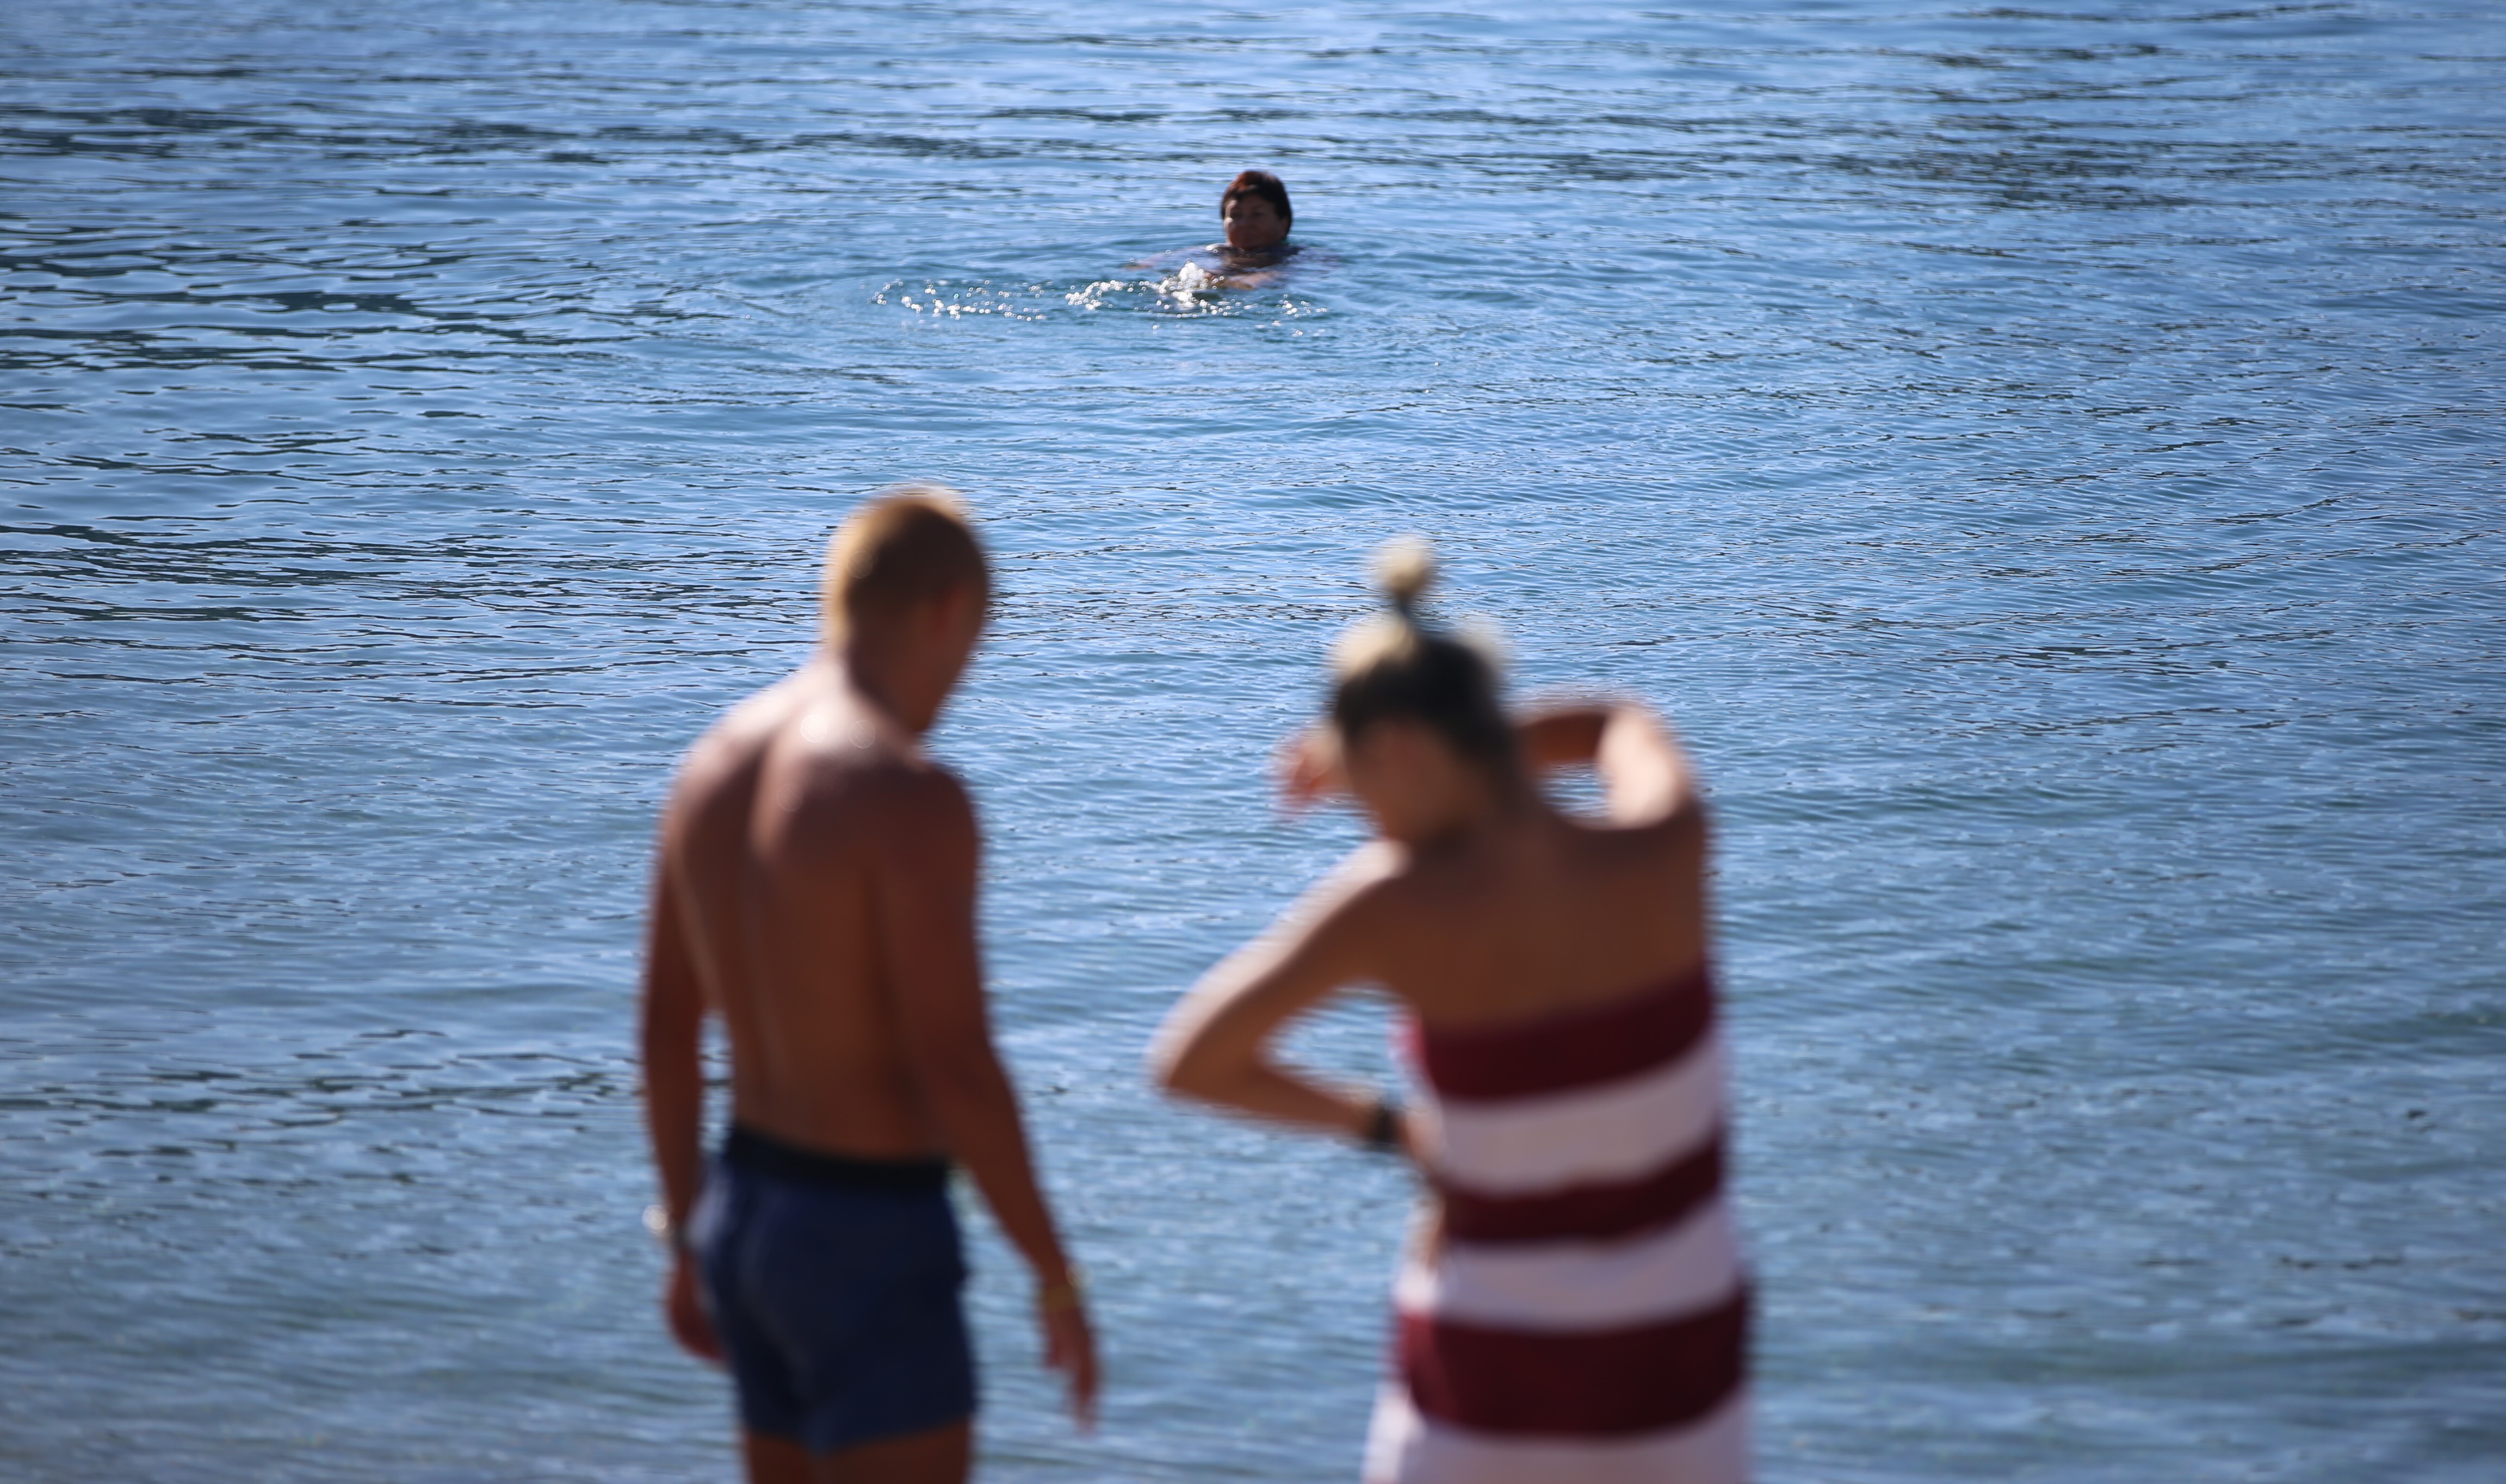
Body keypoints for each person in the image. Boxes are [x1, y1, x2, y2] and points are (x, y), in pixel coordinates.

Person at [1152, 540, 1749, 1483]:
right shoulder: (1670, 846)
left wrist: (1396, 1128)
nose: (1365, 817)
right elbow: (1616, 723)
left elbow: (1190, 1060)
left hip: (1489, 1387)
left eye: (1360, 786)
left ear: (1394, 753)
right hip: (1680, 1386)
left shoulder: (1392, 904)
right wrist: (1472, 754)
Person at [640, 488, 1097, 1484]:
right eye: (977, 638)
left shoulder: (711, 765)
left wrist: (686, 1232)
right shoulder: (904, 792)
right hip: (864, 1230)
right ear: (944, 612)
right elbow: (955, 1066)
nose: (964, 676)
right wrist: (1055, 1273)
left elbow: (667, 1030)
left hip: (744, 1210)